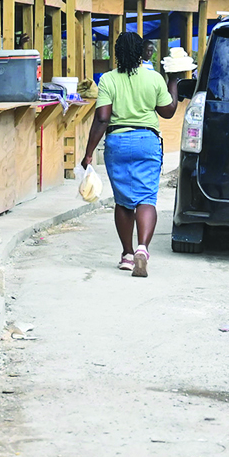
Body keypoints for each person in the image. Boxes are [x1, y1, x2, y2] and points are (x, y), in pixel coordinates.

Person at [79, 31, 176, 277]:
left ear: (117, 53)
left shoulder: (109, 80)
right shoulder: (153, 79)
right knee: (146, 198)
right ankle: (143, 248)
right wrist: (174, 82)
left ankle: (127, 255)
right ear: (140, 52)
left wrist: (89, 153)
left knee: (123, 201)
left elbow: (102, 118)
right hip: (147, 141)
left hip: (118, 142)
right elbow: (168, 111)